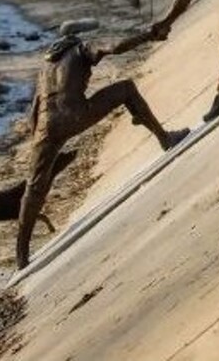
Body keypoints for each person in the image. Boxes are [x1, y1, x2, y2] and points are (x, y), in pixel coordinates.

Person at [16, 30, 188, 269]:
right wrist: (148, 34)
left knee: (34, 187)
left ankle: (21, 255)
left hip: (46, 126)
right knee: (127, 89)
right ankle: (164, 138)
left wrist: (38, 140)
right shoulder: (81, 48)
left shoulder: (45, 71)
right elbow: (115, 45)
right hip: (75, 114)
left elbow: (34, 109)